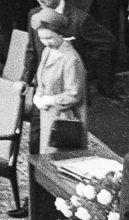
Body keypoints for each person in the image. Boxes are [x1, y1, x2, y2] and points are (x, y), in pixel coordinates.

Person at [31, 9, 87, 153]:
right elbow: (42, 78)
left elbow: (74, 95)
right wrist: (38, 94)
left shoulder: (71, 58)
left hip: (64, 119)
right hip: (48, 115)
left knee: (58, 160)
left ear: (60, 33)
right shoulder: (47, 51)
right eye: (41, 38)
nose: (45, 42)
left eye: (49, 38)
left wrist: (49, 100)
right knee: (46, 156)